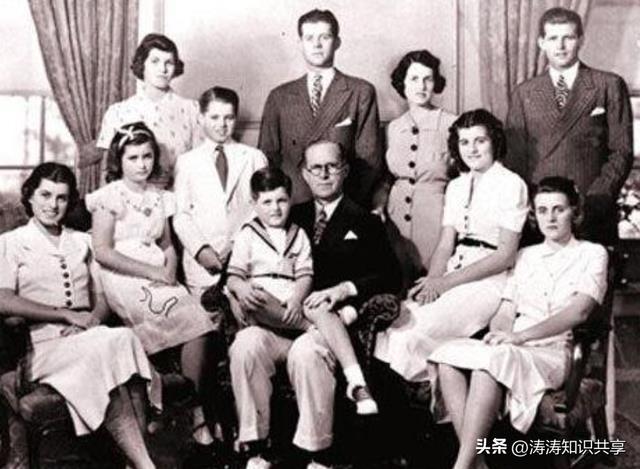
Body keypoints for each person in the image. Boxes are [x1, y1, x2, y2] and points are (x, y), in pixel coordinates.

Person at [229, 141, 400, 469]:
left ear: (344, 170)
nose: (323, 174)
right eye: (315, 168)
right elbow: (238, 266)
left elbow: (390, 276)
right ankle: (256, 448)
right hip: (275, 321)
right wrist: (236, 293)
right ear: (304, 174)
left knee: (306, 353)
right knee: (245, 345)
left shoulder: (364, 220)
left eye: (331, 166)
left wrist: (343, 289)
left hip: (327, 325)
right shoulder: (287, 212)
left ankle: (318, 453)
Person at [430, 176, 609, 469]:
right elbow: (506, 308)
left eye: (559, 209)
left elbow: (579, 312)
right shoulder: (525, 256)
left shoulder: (592, 253)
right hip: (515, 345)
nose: (550, 218)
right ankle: (477, 464)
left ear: (574, 212)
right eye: (542, 210)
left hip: (554, 351)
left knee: (489, 365)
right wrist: (500, 333)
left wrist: (520, 337)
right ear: (534, 216)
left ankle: (463, 466)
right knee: (446, 355)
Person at [0, 162, 157, 469]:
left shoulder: (83, 241)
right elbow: (3, 300)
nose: (53, 205)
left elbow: (104, 297)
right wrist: (65, 316)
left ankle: (140, 465)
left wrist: (92, 320)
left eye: (61, 197)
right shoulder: (10, 243)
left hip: (90, 339)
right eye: (45, 195)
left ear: (70, 201)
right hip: (42, 349)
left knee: (117, 346)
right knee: (116, 344)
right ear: (29, 196)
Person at [87, 122, 223, 451]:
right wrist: (151, 272)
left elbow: (167, 244)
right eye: (133, 158)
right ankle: (183, 410)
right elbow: (102, 251)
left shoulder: (161, 197)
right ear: (119, 160)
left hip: (158, 273)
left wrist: (169, 271)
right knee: (167, 315)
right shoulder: (109, 197)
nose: (142, 164)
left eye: (147, 156)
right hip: (122, 273)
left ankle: (190, 404)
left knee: (198, 320)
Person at [374, 109, 529, 383]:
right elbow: (446, 244)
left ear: (494, 141)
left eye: (480, 140)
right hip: (452, 273)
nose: (472, 149)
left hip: (488, 282)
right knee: (392, 326)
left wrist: (444, 284)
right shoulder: (456, 186)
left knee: (411, 334)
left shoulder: (511, 184)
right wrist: (433, 281)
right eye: (464, 142)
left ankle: (431, 395)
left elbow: (505, 256)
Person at [505, 7, 633, 246]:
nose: (561, 46)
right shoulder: (524, 93)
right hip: (541, 214)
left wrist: (595, 199)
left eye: (568, 37)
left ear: (581, 40)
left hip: (591, 210)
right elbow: (514, 159)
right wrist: (535, 204)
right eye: (553, 38)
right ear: (541, 43)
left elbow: (621, 151)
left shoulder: (608, 85)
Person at [258, 8, 382, 206]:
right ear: (300, 43)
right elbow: (267, 158)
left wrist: (344, 207)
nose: (316, 45)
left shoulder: (360, 91)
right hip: (293, 206)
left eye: (324, 37)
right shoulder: (279, 97)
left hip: (343, 205)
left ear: (337, 42)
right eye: (309, 38)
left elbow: (369, 160)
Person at [373, 50, 457, 287]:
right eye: (414, 79)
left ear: (435, 83)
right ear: (403, 83)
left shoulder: (452, 124)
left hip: (436, 217)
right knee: (395, 282)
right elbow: (386, 179)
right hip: (395, 219)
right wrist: (379, 204)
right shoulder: (393, 128)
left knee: (431, 285)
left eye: (427, 79)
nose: (421, 86)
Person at [173, 86, 267, 295]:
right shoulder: (187, 162)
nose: (222, 125)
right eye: (214, 117)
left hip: (245, 259)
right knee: (206, 313)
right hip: (203, 265)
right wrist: (201, 250)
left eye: (229, 118)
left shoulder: (254, 157)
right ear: (201, 118)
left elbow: (262, 208)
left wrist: (237, 245)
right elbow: (182, 215)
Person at [97, 33, 202, 189]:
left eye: (169, 63)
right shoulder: (118, 112)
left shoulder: (192, 110)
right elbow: (108, 174)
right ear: (142, 64)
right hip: (129, 200)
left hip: (179, 198)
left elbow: (200, 168)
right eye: (155, 61)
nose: (163, 69)